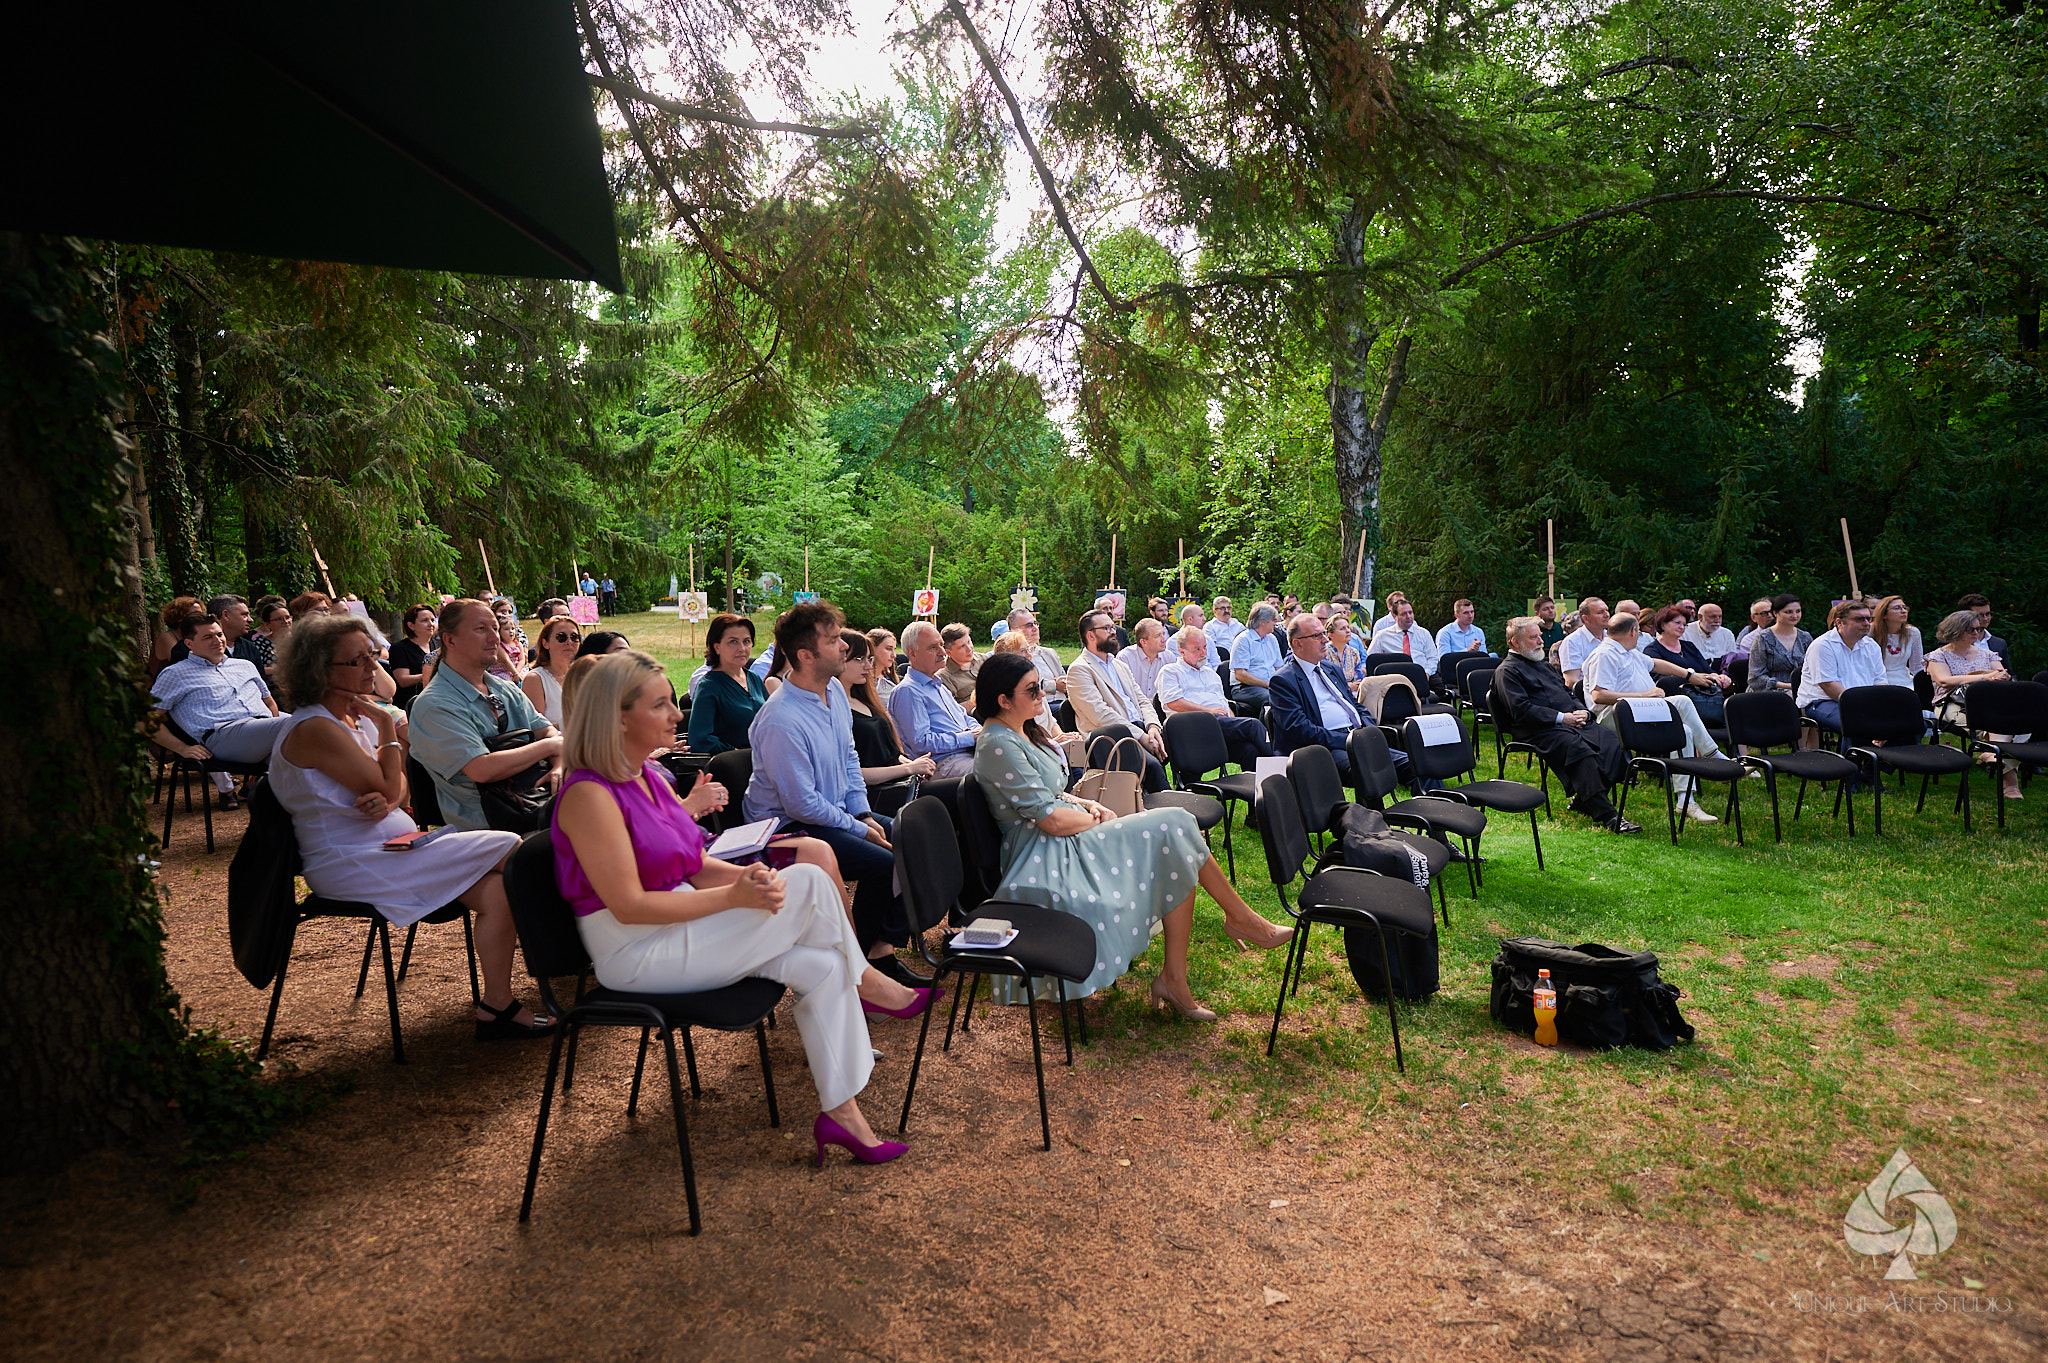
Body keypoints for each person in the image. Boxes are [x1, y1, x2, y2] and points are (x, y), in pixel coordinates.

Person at [553, 650, 922, 1167]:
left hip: (688, 921)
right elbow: (629, 905)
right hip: (635, 949)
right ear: (618, 716)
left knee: (820, 964)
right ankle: (868, 980)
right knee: (813, 878)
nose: (676, 714)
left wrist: (753, 880)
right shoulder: (588, 795)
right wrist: (736, 896)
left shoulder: (649, 778)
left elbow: (697, 865)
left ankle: (843, 1117)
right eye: (660, 705)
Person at [268, 612, 548, 1039]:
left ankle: (497, 1007)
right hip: (352, 861)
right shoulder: (317, 727)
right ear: (321, 670)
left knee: (499, 891)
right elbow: (389, 782)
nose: (372, 669)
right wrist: (386, 728)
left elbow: (399, 793)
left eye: (371, 657)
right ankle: (569, 948)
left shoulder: (352, 716)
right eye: (358, 661)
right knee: (516, 846)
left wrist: (385, 787)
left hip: (398, 844)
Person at [970, 653, 1291, 1018]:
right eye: (1033, 690)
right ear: (1003, 699)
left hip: (1068, 835)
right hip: (1044, 853)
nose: (1042, 695)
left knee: (1177, 841)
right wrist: (1095, 818)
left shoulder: (1023, 731)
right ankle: (1238, 924)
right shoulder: (997, 743)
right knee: (1177, 826)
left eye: (1040, 686)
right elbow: (1049, 820)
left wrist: (1086, 804)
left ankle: (1179, 975)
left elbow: (1053, 793)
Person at [742, 601, 923, 983]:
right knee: (885, 863)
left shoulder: (835, 693)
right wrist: (859, 828)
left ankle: (877, 949)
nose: (845, 647)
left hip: (829, 813)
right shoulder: (780, 718)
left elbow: (848, 760)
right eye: (834, 640)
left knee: (916, 839)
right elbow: (800, 804)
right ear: (806, 655)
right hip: (786, 828)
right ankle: (858, 968)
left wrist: (864, 815)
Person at [408, 598, 561, 832]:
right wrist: (550, 747)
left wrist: (559, 766)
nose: (494, 638)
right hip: (492, 827)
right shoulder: (434, 705)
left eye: (495, 628)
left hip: (539, 804)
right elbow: (482, 769)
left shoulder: (505, 689)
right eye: (481, 629)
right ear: (450, 640)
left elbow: (545, 730)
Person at [1493, 618, 1639, 832]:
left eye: (1539, 636)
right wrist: (1562, 718)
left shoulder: (1542, 665)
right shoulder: (1507, 671)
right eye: (1533, 637)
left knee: (1610, 741)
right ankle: (1608, 816)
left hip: (1569, 721)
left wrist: (1582, 712)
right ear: (1515, 642)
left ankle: (1584, 799)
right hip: (1538, 729)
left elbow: (1568, 693)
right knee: (1580, 751)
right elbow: (1521, 710)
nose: (1540, 641)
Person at [1583, 614, 1728, 822]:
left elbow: (1657, 664)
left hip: (1640, 711)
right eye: (1639, 632)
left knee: (1685, 732)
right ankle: (1713, 755)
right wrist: (1644, 695)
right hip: (1617, 717)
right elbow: (1599, 695)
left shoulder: (1628, 652)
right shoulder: (1605, 654)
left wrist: (1690, 675)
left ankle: (1685, 800)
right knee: (1683, 702)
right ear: (1633, 631)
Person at [148, 613, 289, 809]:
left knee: (306, 745)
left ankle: (279, 830)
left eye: (219, 634)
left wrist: (271, 729)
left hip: (264, 729)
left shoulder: (244, 665)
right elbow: (145, 720)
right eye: (208, 637)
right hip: (223, 736)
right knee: (306, 723)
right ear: (189, 644)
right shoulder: (176, 674)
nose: (218, 640)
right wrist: (182, 748)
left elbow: (270, 703)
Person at [1065, 607, 1171, 790]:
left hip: (1139, 728)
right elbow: (1100, 715)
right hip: (1111, 739)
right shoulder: (1079, 669)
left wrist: (1153, 726)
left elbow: (1142, 700)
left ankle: (1184, 792)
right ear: (1091, 636)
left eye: (1112, 627)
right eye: (1107, 628)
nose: (1114, 632)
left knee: (1176, 745)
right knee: (1153, 767)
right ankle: (1167, 812)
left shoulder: (1118, 664)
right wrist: (1141, 737)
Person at [1268, 614, 1378, 783]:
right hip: (1325, 748)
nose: (1325, 640)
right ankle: (1372, 810)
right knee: (1368, 767)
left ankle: (1423, 805)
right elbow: (1301, 730)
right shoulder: (1283, 680)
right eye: (1317, 636)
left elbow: (1355, 706)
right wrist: (1348, 741)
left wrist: (1370, 732)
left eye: (1323, 634)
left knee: (1414, 761)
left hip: (1357, 738)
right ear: (1298, 643)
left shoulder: (1331, 669)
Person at [1927, 610, 2022, 800]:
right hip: (1951, 704)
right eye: (1971, 629)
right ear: (1955, 630)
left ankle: (1991, 752)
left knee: (2018, 725)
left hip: (1991, 703)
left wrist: (2002, 676)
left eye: (1978, 629)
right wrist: (1984, 676)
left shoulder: (1988, 654)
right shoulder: (1938, 656)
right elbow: (1945, 681)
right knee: (2001, 724)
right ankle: (2009, 782)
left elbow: (2002, 675)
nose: (1976, 633)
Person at [842, 630, 937, 815]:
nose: (868, 666)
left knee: (965, 788)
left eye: (869, 659)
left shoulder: (866, 700)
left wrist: (914, 766)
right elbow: (855, 773)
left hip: (898, 782)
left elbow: (890, 753)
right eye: (859, 659)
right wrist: (910, 768)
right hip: (878, 794)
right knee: (960, 792)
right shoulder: (835, 709)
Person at [1157, 625, 1276, 768]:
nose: (1203, 652)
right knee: (1253, 725)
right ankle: (1279, 765)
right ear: (1182, 651)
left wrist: (1232, 720)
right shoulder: (1171, 671)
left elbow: (1223, 702)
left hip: (1219, 727)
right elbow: (1174, 703)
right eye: (1197, 649)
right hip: (1190, 728)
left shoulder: (1211, 673)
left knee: (1249, 750)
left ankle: (1258, 787)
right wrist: (1209, 711)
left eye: (1205, 647)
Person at [888, 620, 982, 778]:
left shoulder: (937, 685)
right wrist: (969, 737)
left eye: (941, 644)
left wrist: (980, 732)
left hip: (965, 754)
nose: (942, 652)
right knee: (998, 771)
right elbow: (921, 744)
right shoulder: (908, 691)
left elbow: (963, 717)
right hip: (943, 764)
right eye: (933, 647)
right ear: (913, 653)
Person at [1797, 599, 1885, 749]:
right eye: (1859, 619)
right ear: (1839, 622)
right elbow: (1828, 685)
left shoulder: (1871, 646)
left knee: (1908, 723)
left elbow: (1880, 680)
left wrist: (1878, 705)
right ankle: (1852, 769)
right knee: (1854, 722)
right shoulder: (1822, 646)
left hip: (1863, 701)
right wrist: (1862, 706)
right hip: (1821, 702)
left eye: (1868, 619)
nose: (1866, 623)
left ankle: (1872, 768)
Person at [687, 613, 767, 756]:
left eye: (747, 641)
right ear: (717, 647)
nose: (742, 648)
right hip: (733, 767)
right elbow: (700, 739)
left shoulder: (754, 679)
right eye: (733, 642)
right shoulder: (708, 687)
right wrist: (736, 754)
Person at [1643, 606, 1732, 725]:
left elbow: (1707, 669)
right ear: (1663, 624)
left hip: (1703, 698)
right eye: (1677, 623)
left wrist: (1719, 677)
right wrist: (1696, 677)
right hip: (1675, 700)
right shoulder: (1652, 650)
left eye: (1684, 624)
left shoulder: (1688, 646)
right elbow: (1662, 680)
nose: (1681, 627)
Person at [521, 614, 581, 730]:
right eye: (561, 637)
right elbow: (536, 729)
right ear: (545, 643)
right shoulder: (535, 679)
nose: (569, 642)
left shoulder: (583, 674)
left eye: (574, 637)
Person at [1745, 595, 1810, 700]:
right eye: (1788, 612)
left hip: (1801, 689)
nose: (1794, 615)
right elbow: (1755, 678)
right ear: (1775, 613)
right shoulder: (1762, 639)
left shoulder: (1805, 637)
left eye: (1798, 611)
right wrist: (1788, 686)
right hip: (1768, 692)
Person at [1228, 602, 1285, 701]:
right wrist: (1268, 685)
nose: (1276, 624)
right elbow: (1240, 674)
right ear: (1263, 621)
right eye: (1273, 620)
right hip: (1245, 687)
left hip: (1269, 686)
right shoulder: (1243, 640)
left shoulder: (1272, 639)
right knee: (1273, 699)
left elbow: (1278, 667)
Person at [1005, 608, 1068, 694]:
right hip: (1038, 704)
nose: (1035, 628)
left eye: (1035, 624)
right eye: (1029, 625)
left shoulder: (1049, 653)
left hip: (1063, 700)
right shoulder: (1012, 657)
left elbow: (1063, 676)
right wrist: (1054, 686)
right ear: (1014, 630)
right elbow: (1021, 685)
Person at [1368, 598, 1440, 672]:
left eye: (1410, 612)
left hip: (1422, 673)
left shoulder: (1424, 633)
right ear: (1394, 615)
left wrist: (1427, 673)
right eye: (1403, 614)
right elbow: (1371, 659)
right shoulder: (1382, 636)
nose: (1408, 616)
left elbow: (1433, 658)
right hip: (1394, 675)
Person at [387, 604, 438, 707]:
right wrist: (430, 673)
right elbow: (403, 680)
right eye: (425, 620)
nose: (431, 624)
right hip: (412, 704)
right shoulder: (399, 648)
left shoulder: (437, 645)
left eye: (432, 620)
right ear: (411, 625)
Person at [1558, 598, 1614, 690]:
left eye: (1607, 610)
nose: (1607, 615)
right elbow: (1571, 681)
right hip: (1590, 697)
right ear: (1585, 618)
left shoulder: (1612, 638)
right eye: (1600, 612)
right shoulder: (1572, 642)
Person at [1871, 596, 1924, 689]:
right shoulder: (1871, 631)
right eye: (1897, 608)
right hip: (1876, 682)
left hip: (1905, 682)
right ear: (1884, 614)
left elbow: (1917, 667)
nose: (1903, 611)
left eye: (1904, 608)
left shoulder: (1912, 633)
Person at [148, 595, 202, 681]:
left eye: (201, 614)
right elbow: (184, 663)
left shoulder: (192, 638)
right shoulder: (166, 638)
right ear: (179, 617)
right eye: (195, 614)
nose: (200, 618)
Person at [1118, 617, 1172, 701]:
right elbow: (1123, 693)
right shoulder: (1125, 658)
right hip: (1134, 708)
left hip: (1161, 709)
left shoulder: (1169, 657)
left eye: (1163, 634)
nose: (1163, 639)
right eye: (1157, 636)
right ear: (1143, 642)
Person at [1957, 594, 2012, 675]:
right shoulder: (1954, 643)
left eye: (1988, 614)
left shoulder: (1999, 644)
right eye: (1980, 615)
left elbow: (2010, 674)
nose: (1986, 619)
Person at [937, 622, 983, 703]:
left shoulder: (984, 660)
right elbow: (951, 711)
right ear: (948, 652)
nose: (969, 649)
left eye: (969, 642)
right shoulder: (944, 678)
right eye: (962, 646)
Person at [251, 598, 292, 682]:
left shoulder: (300, 640)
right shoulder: (260, 643)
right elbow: (254, 669)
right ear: (267, 624)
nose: (285, 621)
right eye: (279, 619)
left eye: (287, 617)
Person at [488, 611, 528, 683]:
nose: (511, 631)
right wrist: (515, 674)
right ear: (499, 632)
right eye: (506, 629)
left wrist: (517, 673)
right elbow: (506, 660)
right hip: (502, 672)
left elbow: (522, 660)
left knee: (527, 678)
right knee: (508, 682)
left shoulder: (518, 644)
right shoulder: (499, 645)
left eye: (512, 628)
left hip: (516, 669)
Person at [1329, 612, 1369, 686]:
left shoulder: (1353, 652)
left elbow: (1359, 678)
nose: (1347, 631)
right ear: (1331, 635)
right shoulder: (1324, 653)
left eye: (1348, 627)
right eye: (1342, 629)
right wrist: (1349, 686)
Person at [865, 628, 902, 704]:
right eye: (888, 649)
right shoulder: (863, 681)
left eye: (894, 649)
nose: (894, 655)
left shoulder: (892, 679)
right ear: (872, 648)